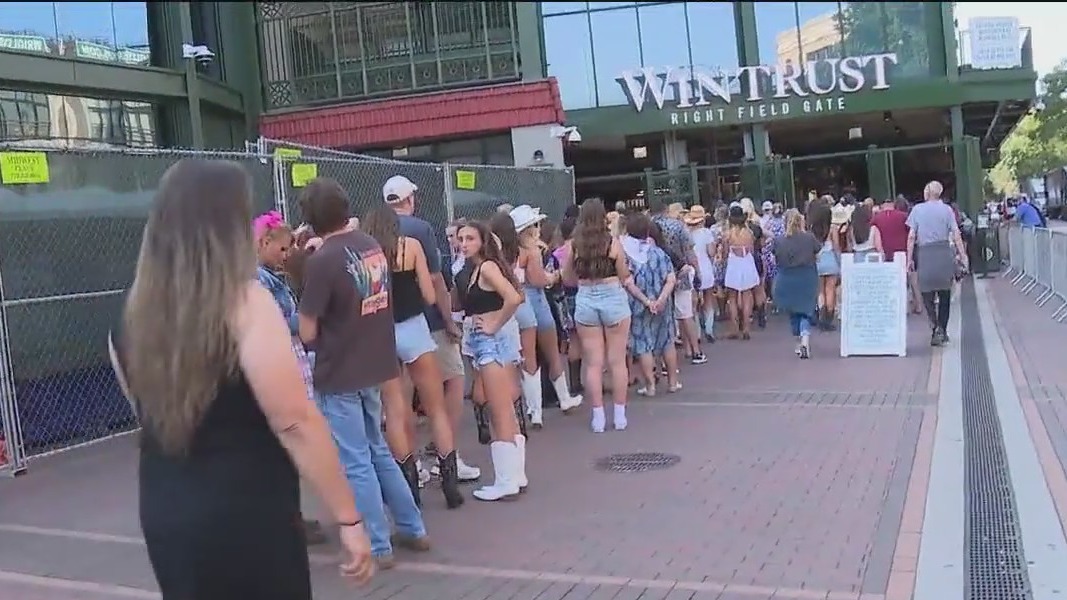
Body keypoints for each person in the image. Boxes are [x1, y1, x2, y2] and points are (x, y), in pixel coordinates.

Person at [110, 160, 373, 599]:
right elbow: (295, 421)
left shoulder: (133, 310)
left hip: (165, 503)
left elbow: (141, 404)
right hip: (245, 507)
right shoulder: (243, 302)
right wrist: (349, 516)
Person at [298, 177, 429, 567]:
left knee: (354, 459)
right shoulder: (371, 246)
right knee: (378, 451)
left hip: (338, 369)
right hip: (374, 361)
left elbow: (307, 329)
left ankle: (377, 542)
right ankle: (412, 526)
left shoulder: (322, 261)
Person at [361, 206, 465, 509]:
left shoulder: (366, 256)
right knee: (436, 409)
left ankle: (409, 489)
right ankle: (450, 486)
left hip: (382, 332)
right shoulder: (411, 247)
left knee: (395, 410)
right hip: (415, 328)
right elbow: (431, 296)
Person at [382, 176, 480, 486]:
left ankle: (412, 470)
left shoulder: (374, 232)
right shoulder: (419, 230)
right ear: (410, 199)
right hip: (424, 322)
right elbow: (435, 282)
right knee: (449, 385)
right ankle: (446, 458)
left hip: (387, 327)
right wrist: (449, 319)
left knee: (399, 402)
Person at [452, 221, 527, 501]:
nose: (463, 243)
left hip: (490, 342)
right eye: (461, 238)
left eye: (470, 238)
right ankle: (514, 475)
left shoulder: (486, 268)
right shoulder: (474, 268)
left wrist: (495, 323)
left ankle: (507, 479)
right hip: (488, 340)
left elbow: (513, 297)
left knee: (499, 409)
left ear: (483, 240)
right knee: (502, 406)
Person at [562, 199, 632, 434]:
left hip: (586, 298)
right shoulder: (612, 244)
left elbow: (567, 277)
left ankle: (598, 417)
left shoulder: (574, 245)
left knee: (593, 363)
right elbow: (623, 274)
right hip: (613, 296)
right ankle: (620, 415)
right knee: (617, 361)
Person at [623, 213, 680, 398]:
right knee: (667, 341)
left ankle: (650, 386)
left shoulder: (627, 256)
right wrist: (661, 299)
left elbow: (628, 283)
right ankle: (672, 382)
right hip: (663, 304)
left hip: (639, 305)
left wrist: (647, 302)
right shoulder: (658, 253)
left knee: (643, 344)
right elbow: (671, 278)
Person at [906, 181, 969, 346]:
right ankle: (942, 328)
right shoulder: (947, 210)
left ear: (927, 192)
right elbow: (956, 234)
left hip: (925, 254)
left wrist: (909, 259)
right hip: (943, 253)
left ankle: (934, 326)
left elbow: (912, 236)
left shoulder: (917, 210)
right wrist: (963, 256)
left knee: (926, 293)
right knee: (944, 293)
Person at [772, 209, 821, 359]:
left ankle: (798, 341)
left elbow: (776, 259)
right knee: (806, 310)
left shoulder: (779, 240)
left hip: (786, 277)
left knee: (793, 312)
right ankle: (805, 339)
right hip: (807, 276)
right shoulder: (809, 238)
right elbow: (817, 254)